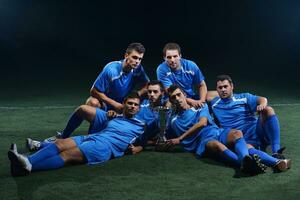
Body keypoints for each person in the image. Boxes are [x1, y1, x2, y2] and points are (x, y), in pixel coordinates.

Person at [8, 93, 145, 176]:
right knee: (60, 143)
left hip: (104, 147)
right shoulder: (115, 116)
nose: (132, 106)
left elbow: (149, 141)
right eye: (130, 103)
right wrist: (110, 114)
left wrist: (138, 148)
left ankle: (28, 165)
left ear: (139, 108)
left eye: (135, 105)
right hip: (95, 137)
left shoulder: (141, 126)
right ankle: (26, 163)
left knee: (66, 155)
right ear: (124, 104)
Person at [165, 85, 290, 174]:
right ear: (170, 100)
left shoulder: (199, 106)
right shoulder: (172, 119)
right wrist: (160, 143)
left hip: (218, 132)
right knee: (218, 145)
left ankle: (276, 161)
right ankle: (246, 163)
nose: (177, 98)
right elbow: (167, 138)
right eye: (173, 97)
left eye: (179, 95)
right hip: (203, 141)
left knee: (237, 133)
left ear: (184, 95)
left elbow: (203, 123)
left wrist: (180, 138)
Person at [26, 80, 166, 154]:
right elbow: (129, 108)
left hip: (123, 133)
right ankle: (62, 136)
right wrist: (113, 113)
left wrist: (143, 146)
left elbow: (150, 137)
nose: (151, 95)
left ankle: (41, 145)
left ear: (162, 93)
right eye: (150, 92)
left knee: (81, 147)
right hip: (114, 120)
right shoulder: (143, 103)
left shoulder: (164, 113)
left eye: (155, 92)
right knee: (84, 109)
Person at [207, 75, 290, 161]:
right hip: (242, 139)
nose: (223, 89)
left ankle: (276, 152)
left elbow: (263, 99)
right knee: (247, 152)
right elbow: (206, 94)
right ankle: (274, 161)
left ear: (232, 86)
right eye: (220, 88)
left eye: (225, 86)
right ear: (217, 89)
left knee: (268, 110)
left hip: (257, 131)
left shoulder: (243, 97)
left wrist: (262, 105)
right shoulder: (214, 103)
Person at [87, 42, 150, 112]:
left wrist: (138, 94)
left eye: (140, 59)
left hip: (124, 103)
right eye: (134, 57)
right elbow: (93, 91)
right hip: (106, 103)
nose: (137, 61)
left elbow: (148, 84)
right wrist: (115, 104)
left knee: (150, 93)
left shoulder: (138, 69)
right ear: (126, 56)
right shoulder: (111, 70)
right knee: (92, 102)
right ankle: (99, 120)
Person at [156, 43, 207, 108]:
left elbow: (202, 85)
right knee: (169, 104)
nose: (172, 60)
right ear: (164, 58)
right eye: (169, 57)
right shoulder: (161, 69)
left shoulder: (191, 65)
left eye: (175, 56)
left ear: (180, 56)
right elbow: (172, 93)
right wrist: (192, 102)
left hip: (191, 96)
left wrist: (201, 102)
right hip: (173, 98)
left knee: (215, 95)